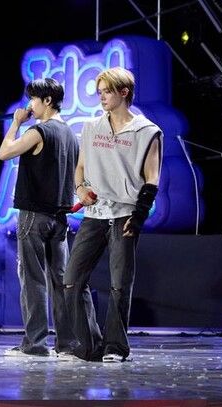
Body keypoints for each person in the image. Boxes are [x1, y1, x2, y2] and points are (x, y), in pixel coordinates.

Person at [64, 66, 163, 363]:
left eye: (107, 91)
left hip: (125, 214)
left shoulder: (147, 131)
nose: (102, 97)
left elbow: (152, 178)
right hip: (95, 213)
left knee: (119, 284)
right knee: (71, 280)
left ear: (124, 92)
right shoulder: (91, 127)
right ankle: (89, 346)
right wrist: (80, 189)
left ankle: (116, 347)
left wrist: (140, 215)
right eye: (99, 92)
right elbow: (80, 167)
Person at [0, 78, 79, 359]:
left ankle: (35, 344)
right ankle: (67, 344)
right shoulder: (70, 134)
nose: (30, 105)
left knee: (33, 280)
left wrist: (16, 123)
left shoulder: (39, 131)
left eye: (33, 99)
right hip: (60, 217)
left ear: (47, 100)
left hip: (34, 214)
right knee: (60, 282)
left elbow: (4, 152)